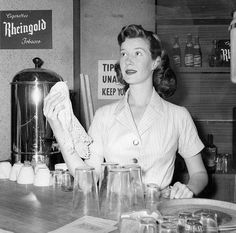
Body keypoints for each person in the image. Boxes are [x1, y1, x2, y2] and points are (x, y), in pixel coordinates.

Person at [44, 24, 208, 199]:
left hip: (159, 214)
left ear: (155, 62)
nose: (128, 60)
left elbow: (199, 174)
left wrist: (188, 189)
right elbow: (87, 182)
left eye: (138, 53)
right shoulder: (104, 116)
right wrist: (58, 129)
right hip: (115, 211)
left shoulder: (178, 116)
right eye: (124, 53)